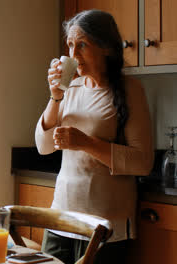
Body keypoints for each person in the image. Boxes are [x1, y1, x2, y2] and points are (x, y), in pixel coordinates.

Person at [35, 10, 154, 264]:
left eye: (82, 45)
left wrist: (85, 143)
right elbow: (43, 146)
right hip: (61, 218)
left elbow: (142, 162)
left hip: (105, 227)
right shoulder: (71, 89)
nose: (73, 55)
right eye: (70, 45)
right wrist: (55, 97)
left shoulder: (130, 91)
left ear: (106, 48)